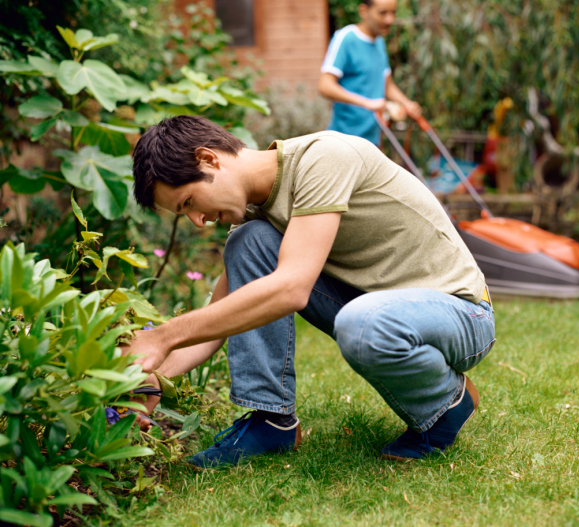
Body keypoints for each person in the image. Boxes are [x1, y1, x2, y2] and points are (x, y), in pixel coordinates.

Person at [127, 115, 495, 468]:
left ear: (208, 158)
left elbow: (291, 289)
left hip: (460, 312)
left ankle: (446, 404)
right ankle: (271, 421)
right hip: (376, 309)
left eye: (189, 202)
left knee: (360, 321)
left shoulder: (324, 158)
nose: (198, 222)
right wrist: (150, 382)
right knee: (247, 242)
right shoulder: (258, 215)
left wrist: (161, 336)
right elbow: (220, 319)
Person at [318, 0, 421, 145]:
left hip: (372, 140)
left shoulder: (379, 43)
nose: (390, 19)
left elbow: (387, 85)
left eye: (393, 13)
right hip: (344, 140)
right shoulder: (346, 38)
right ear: (364, 11)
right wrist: (368, 103)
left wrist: (406, 103)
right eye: (383, 13)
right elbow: (325, 86)